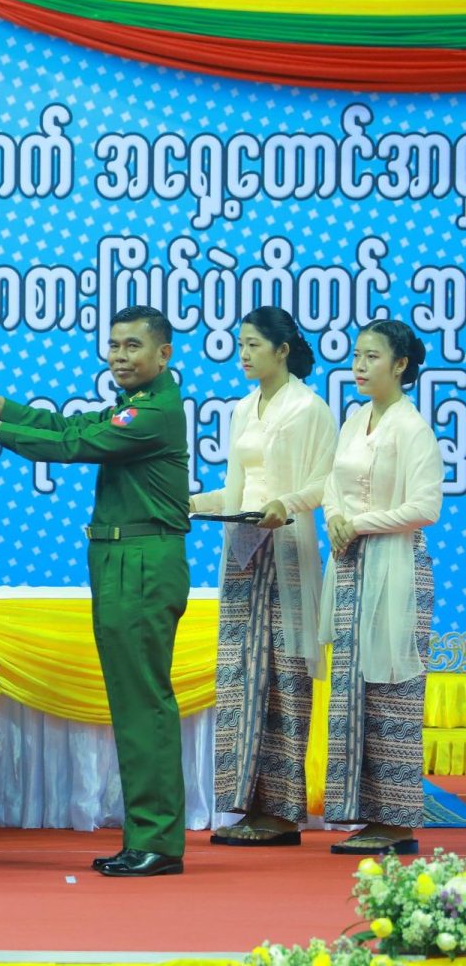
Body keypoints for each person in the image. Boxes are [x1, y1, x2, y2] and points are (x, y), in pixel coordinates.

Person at [0, 305, 189, 878]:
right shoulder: (134, 405)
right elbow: (69, 429)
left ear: (163, 354)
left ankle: (158, 839)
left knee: (143, 702)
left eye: (133, 345)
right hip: (120, 557)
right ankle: (148, 836)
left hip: (141, 560)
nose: (120, 356)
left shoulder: (154, 412)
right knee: (132, 701)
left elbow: (69, 448)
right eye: (114, 345)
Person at [190, 308, 336, 847]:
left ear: (282, 350)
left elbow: (327, 482)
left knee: (283, 674)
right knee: (241, 675)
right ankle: (247, 804)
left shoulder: (309, 408)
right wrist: (197, 502)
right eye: (240, 345)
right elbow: (238, 487)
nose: (244, 354)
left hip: (286, 549)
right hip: (242, 550)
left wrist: (286, 504)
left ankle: (283, 812)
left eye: (253, 344)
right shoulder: (243, 407)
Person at [320, 320, 443, 855]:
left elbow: (426, 507)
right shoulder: (354, 420)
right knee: (353, 691)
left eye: (372, 356)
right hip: (350, 566)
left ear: (401, 365)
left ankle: (396, 824)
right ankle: (365, 813)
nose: (359, 365)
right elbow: (331, 484)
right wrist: (334, 516)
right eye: (356, 355)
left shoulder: (412, 428)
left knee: (392, 692)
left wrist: (359, 522)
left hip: (395, 567)